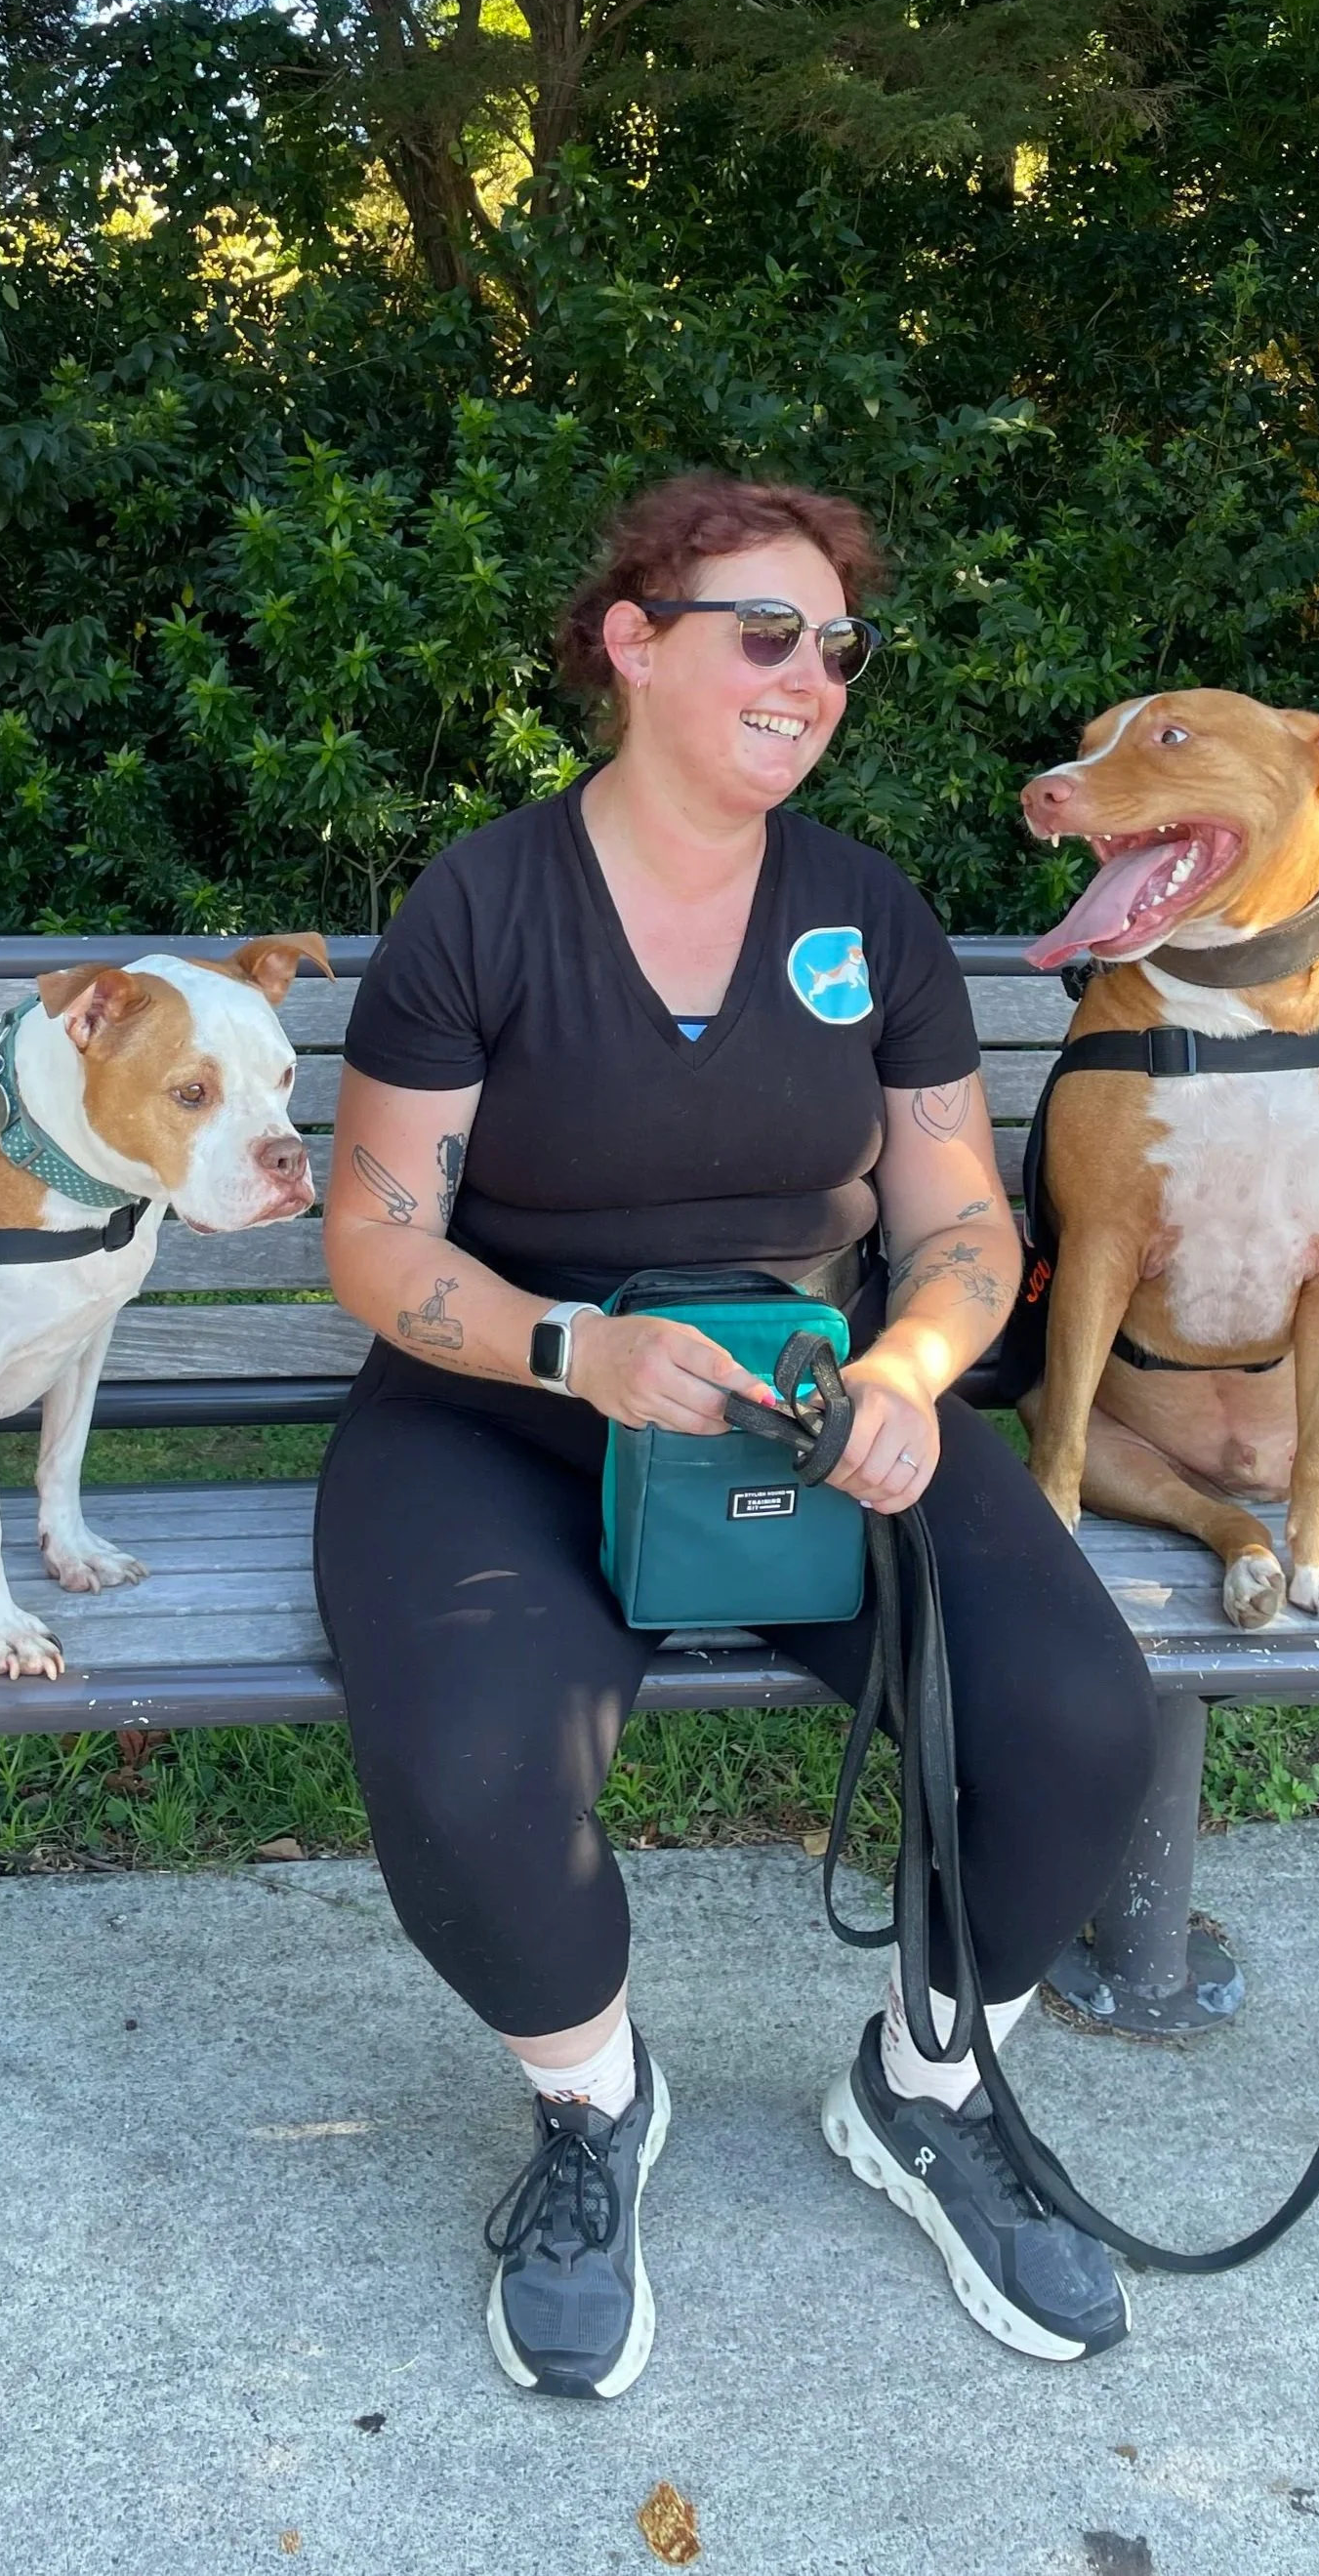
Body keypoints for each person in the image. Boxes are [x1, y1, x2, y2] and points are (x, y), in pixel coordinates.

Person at [313, 471, 1156, 2398]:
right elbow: (370, 1229)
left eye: (835, 644)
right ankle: (590, 2108)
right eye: (760, 632)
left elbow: (956, 1223)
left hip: (812, 1404)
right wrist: (567, 1346)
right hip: (504, 1409)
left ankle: (923, 2084)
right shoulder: (483, 901)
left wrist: (911, 1368)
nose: (808, 674)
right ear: (630, 641)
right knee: (464, 1769)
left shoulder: (865, 911)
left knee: (1079, 1723)